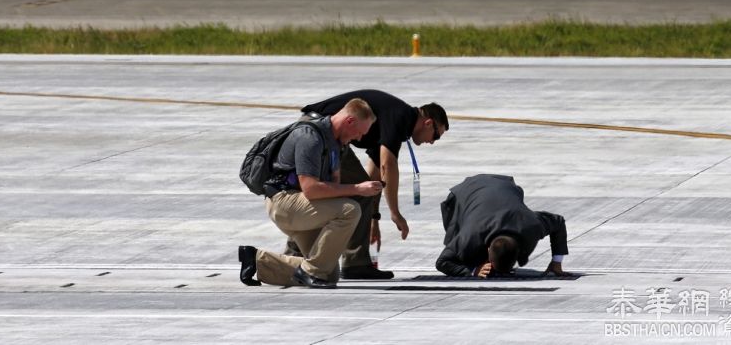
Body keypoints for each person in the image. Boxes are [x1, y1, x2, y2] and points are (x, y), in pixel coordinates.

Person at [297, 89, 449, 280]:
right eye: (436, 135)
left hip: (315, 129)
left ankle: (296, 252)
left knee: (354, 191)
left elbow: (374, 177)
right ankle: (355, 263)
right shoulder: (401, 117)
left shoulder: (398, 121)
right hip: (319, 132)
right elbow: (388, 165)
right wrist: (395, 213)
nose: (433, 142)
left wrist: (373, 221)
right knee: (354, 192)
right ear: (428, 123)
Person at [239, 98, 384, 288]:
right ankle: (310, 271)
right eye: (359, 132)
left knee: (328, 273)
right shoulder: (310, 137)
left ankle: (257, 262)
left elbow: (332, 187)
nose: (359, 138)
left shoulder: (335, 143)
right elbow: (311, 189)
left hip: (301, 206)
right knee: (351, 210)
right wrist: (357, 189)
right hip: (284, 202)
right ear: (349, 121)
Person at [435, 174, 570, 278]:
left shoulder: (530, 225)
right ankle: (475, 259)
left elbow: (558, 222)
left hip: (504, 187)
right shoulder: (469, 235)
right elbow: (442, 262)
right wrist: (473, 270)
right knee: (462, 252)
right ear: (488, 250)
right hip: (466, 191)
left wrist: (556, 264)